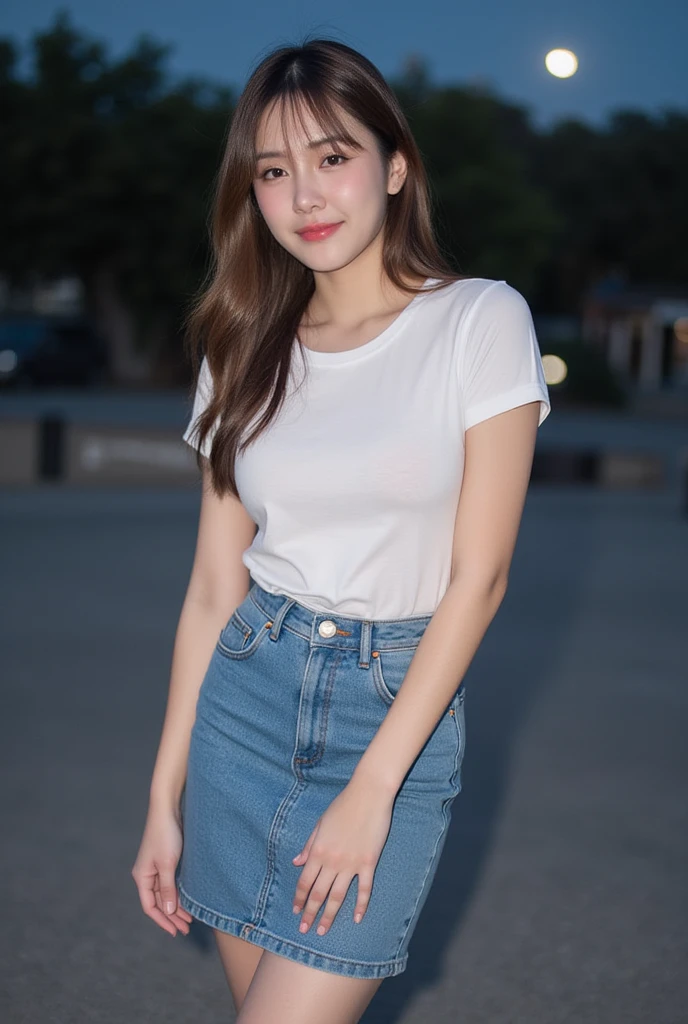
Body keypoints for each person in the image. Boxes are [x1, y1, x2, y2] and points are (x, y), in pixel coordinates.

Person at [131, 37, 551, 1024]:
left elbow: (478, 579)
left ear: (394, 167)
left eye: (332, 156)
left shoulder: (478, 323)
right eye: (273, 171)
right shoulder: (239, 348)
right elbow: (210, 588)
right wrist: (163, 796)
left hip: (388, 715)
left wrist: (372, 790)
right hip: (242, 710)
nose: (305, 194)